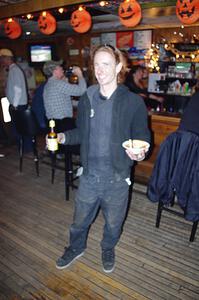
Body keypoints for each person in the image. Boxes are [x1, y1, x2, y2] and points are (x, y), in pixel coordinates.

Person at [55, 45, 151, 273]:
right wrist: (63, 137)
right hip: (90, 175)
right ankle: (76, 247)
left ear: (118, 67)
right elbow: (81, 132)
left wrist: (140, 151)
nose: (100, 69)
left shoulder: (133, 102)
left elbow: (142, 136)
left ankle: (108, 247)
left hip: (117, 177)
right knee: (79, 221)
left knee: (114, 223)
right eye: (96, 64)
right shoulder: (88, 97)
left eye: (106, 64)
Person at [0, 48, 32, 152]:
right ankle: (24, 149)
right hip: (18, 104)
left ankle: (24, 149)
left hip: (18, 105)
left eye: (2, 59)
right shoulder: (13, 70)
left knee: (20, 129)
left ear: (7, 59)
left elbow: (18, 89)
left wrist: (15, 104)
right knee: (21, 128)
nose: (1, 61)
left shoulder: (14, 70)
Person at [43, 60, 87, 133]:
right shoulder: (57, 83)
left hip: (54, 123)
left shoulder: (49, 84)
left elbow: (62, 100)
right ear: (55, 70)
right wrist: (80, 75)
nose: (62, 69)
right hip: (62, 124)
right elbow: (81, 91)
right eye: (60, 67)